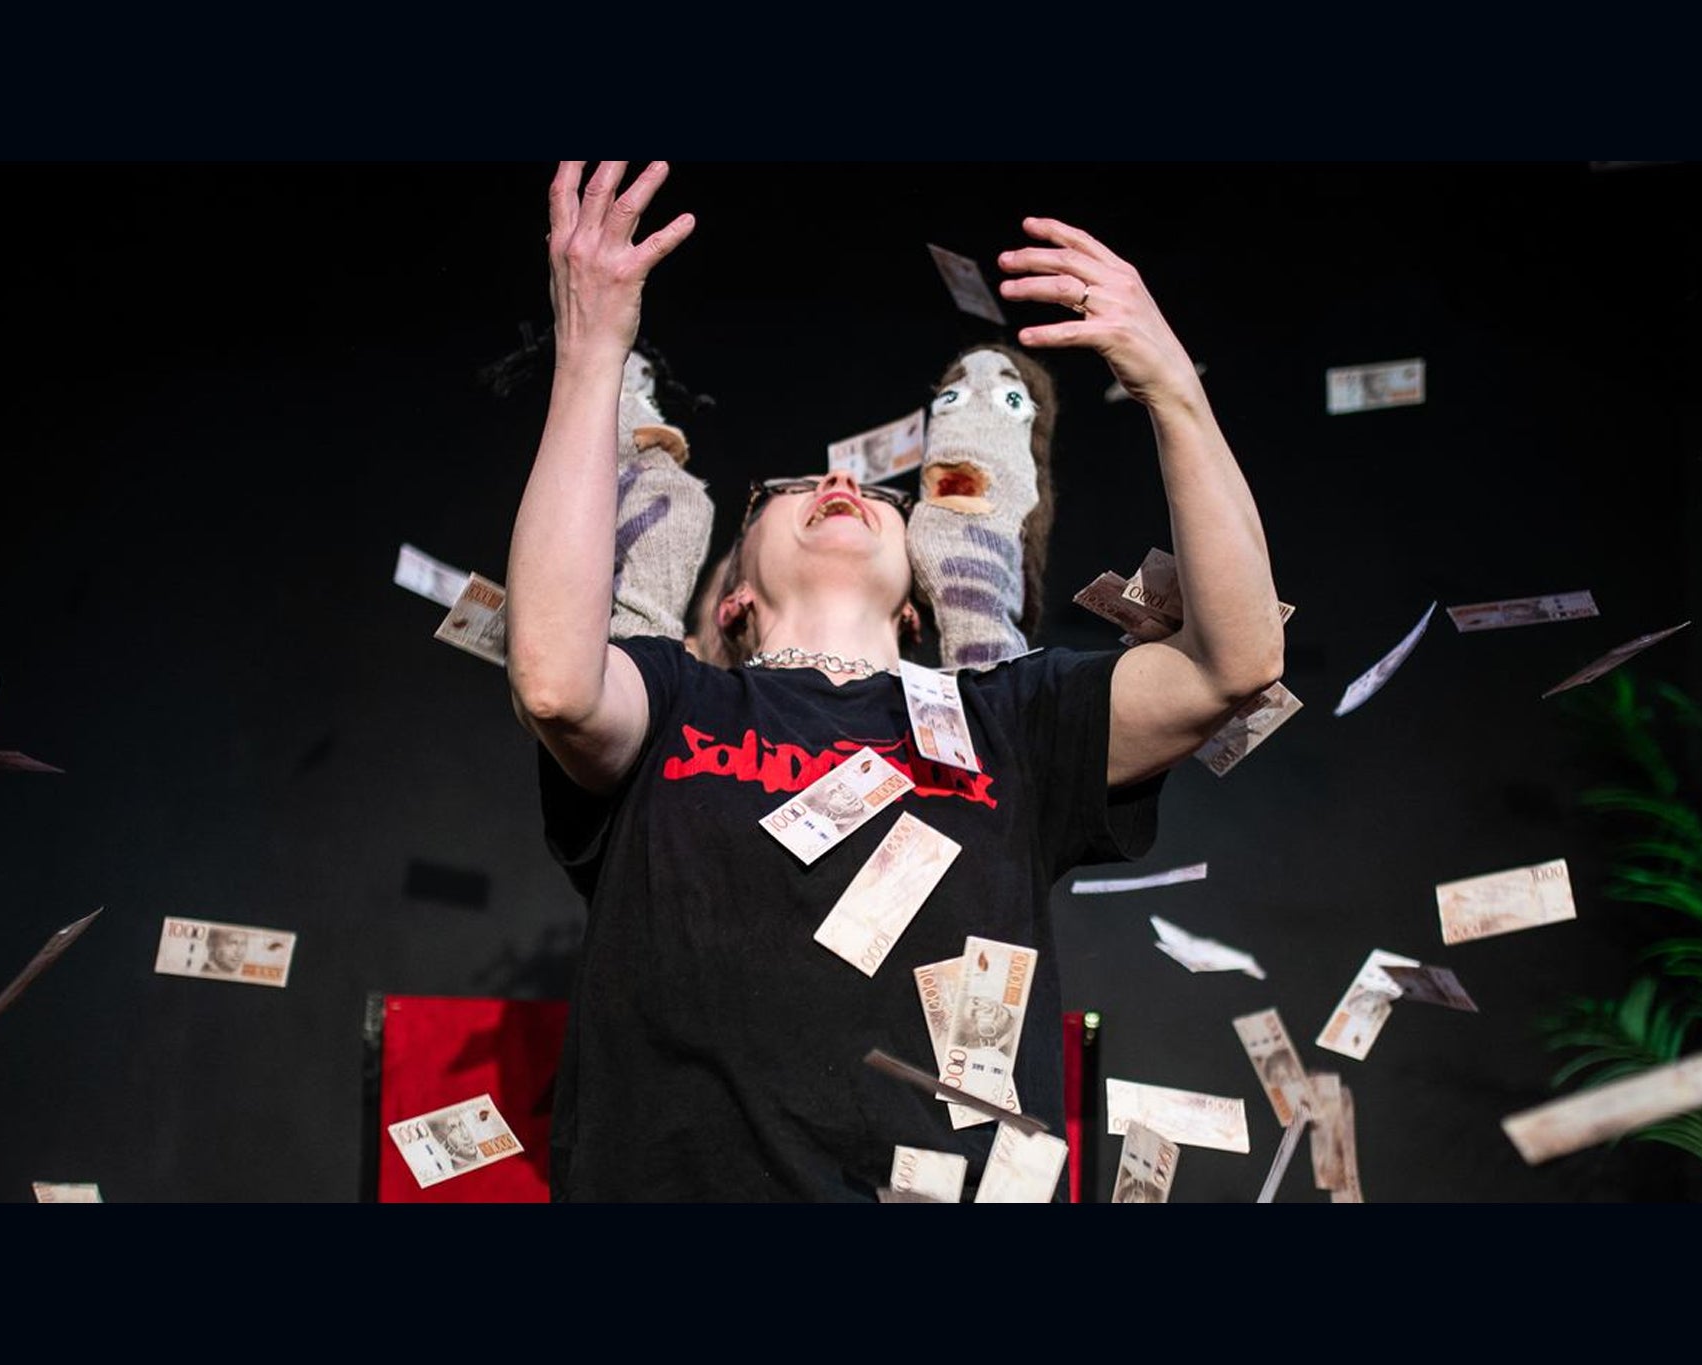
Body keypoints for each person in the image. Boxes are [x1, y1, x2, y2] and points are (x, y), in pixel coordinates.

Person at [507, 162, 1286, 1201]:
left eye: (876, 491)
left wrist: (1172, 390)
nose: (840, 483)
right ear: (733, 598)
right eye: (792, 489)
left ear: (918, 603)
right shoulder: (676, 700)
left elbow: (1237, 660)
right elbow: (555, 681)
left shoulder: (1006, 719)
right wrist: (589, 354)